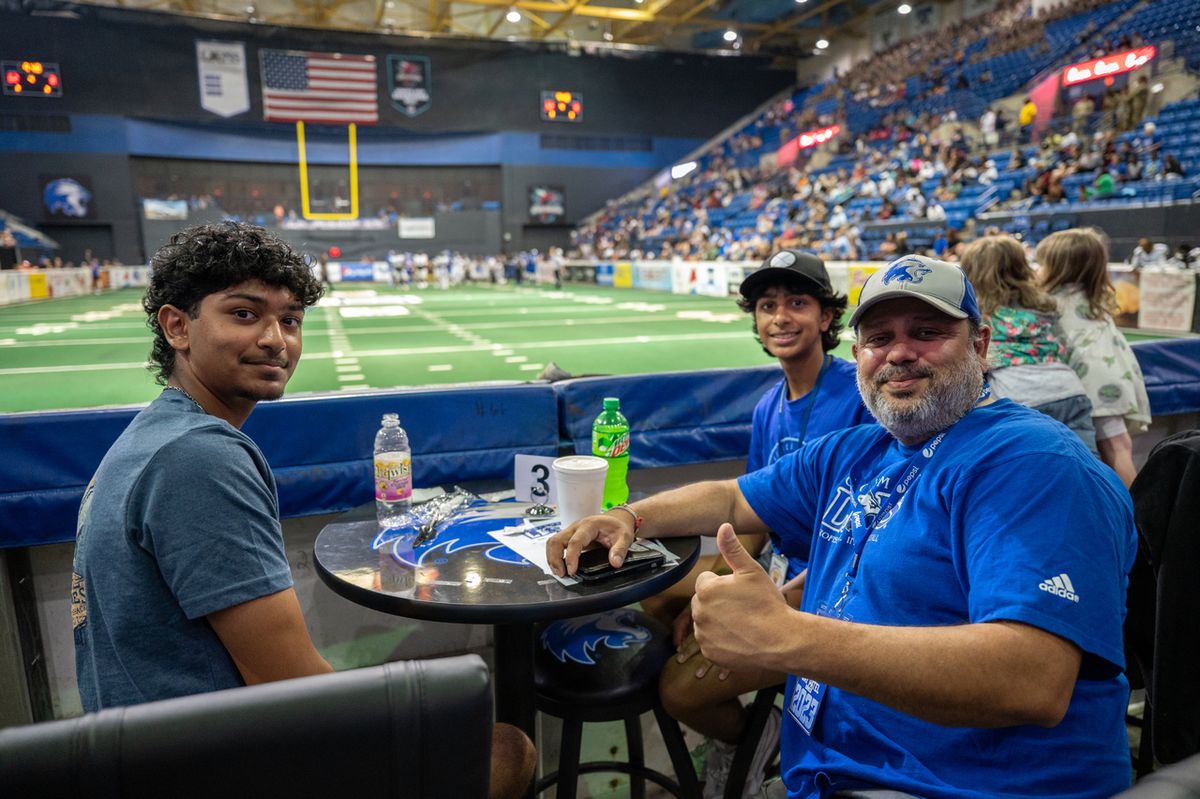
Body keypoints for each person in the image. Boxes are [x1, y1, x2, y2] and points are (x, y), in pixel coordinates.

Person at [549, 255, 1136, 797]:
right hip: (838, 766)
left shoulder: (1030, 464)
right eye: (879, 338)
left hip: (955, 784)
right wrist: (626, 515)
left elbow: (1031, 679)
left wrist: (786, 636)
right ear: (858, 353)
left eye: (927, 333)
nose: (899, 353)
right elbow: (731, 499)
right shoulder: (857, 449)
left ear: (980, 345)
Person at [71, 222, 535, 799]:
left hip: (146, 747)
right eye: (245, 314)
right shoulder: (201, 458)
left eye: (289, 320)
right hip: (207, 764)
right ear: (177, 326)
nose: (275, 339)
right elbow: (287, 685)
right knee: (506, 750)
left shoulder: (156, 434)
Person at [644, 250, 872, 798]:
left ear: (826, 317)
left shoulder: (861, 393)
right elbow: (752, 517)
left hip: (831, 579)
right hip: (777, 567)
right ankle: (756, 735)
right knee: (655, 593)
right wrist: (720, 586)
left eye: (798, 302)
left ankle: (751, 740)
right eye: (768, 306)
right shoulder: (769, 405)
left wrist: (765, 597)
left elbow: (875, 518)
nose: (781, 318)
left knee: (678, 692)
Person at [1038, 228, 1152, 488]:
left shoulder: (1051, 303)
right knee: (1118, 447)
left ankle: (1135, 517)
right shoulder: (1096, 297)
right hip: (1112, 379)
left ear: (1058, 267)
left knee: (1112, 449)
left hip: (1091, 383)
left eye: (1043, 264)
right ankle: (1136, 512)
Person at [959, 235, 1095, 452]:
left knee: (1026, 469)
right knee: (1087, 467)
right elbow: (1066, 349)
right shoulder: (1043, 307)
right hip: (1069, 389)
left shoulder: (976, 315)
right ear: (1022, 267)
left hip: (1018, 398)